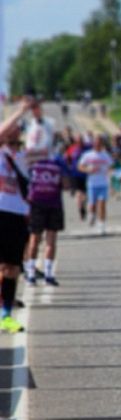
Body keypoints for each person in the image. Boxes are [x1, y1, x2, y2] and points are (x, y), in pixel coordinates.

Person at [0, 118, 33, 331]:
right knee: (2, 265)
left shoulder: (21, 158)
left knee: (13, 267)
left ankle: (6, 316)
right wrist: (21, 110)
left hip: (18, 214)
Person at [24, 141, 67, 288]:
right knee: (50, 240)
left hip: (37, 205)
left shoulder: (31, 166)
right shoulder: (58, 165)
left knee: (34, 239)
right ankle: (48, 274)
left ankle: (31, 274)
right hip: (53, 205)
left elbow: (25, 185)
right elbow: (65, 185)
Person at [77, 135, 113, 226]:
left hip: (103, 183)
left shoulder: (105, 155)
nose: (97, 145)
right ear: (93, 144)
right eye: (95, 143)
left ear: (102, 144)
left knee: (102, 204)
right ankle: (92, 215)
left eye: (99, 143)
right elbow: (80, 166)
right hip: (92, 183)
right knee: (92, 205)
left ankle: (102, 224)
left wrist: (110, 177)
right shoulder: (88, 155)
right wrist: (88, 170)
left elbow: (110, 167)